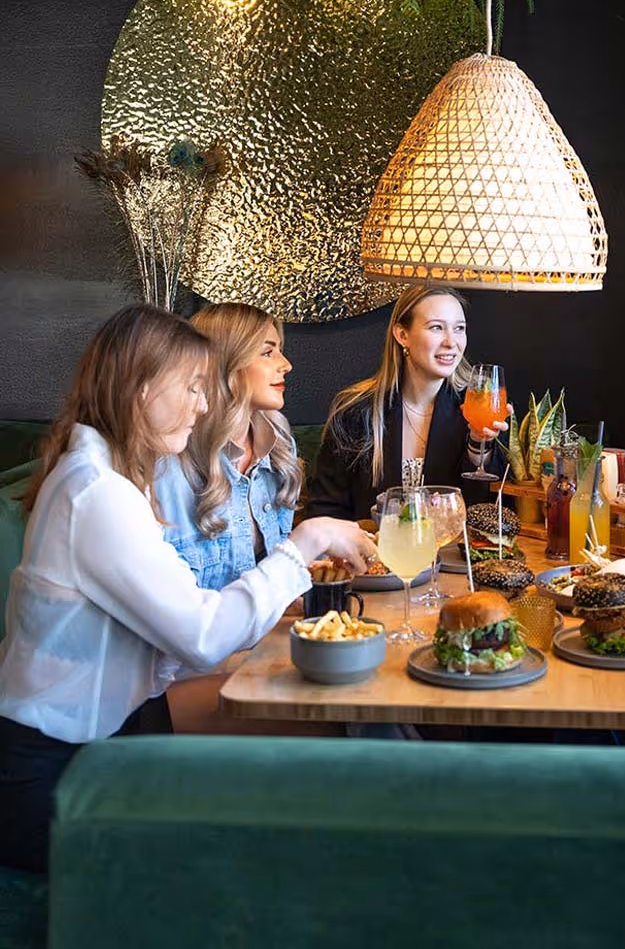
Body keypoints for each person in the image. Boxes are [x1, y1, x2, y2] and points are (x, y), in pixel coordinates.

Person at [0, 305, 375, 872]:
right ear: (142, 386)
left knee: (334, 720)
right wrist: (307, 541)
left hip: (105, 735)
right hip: (58, 773)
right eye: (193, 388)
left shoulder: (111, 477)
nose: (203, 405)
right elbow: (202, 635)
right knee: (327, 734)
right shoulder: (97, 493)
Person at [308, 282, 507, 520]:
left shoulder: (476, 409)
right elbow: (325, 510)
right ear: (402, 335)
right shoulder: (356, 412)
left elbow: (490, 511)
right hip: (373, 553)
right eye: (436, 328)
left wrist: (478, 445)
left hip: (453, 555)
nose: (451, 342)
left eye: (459, 328)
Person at [155, 303, 302, 588]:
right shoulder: (166, 467)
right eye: (268, 352)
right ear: (227, 361)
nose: (286, 364)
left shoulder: (280, 446)